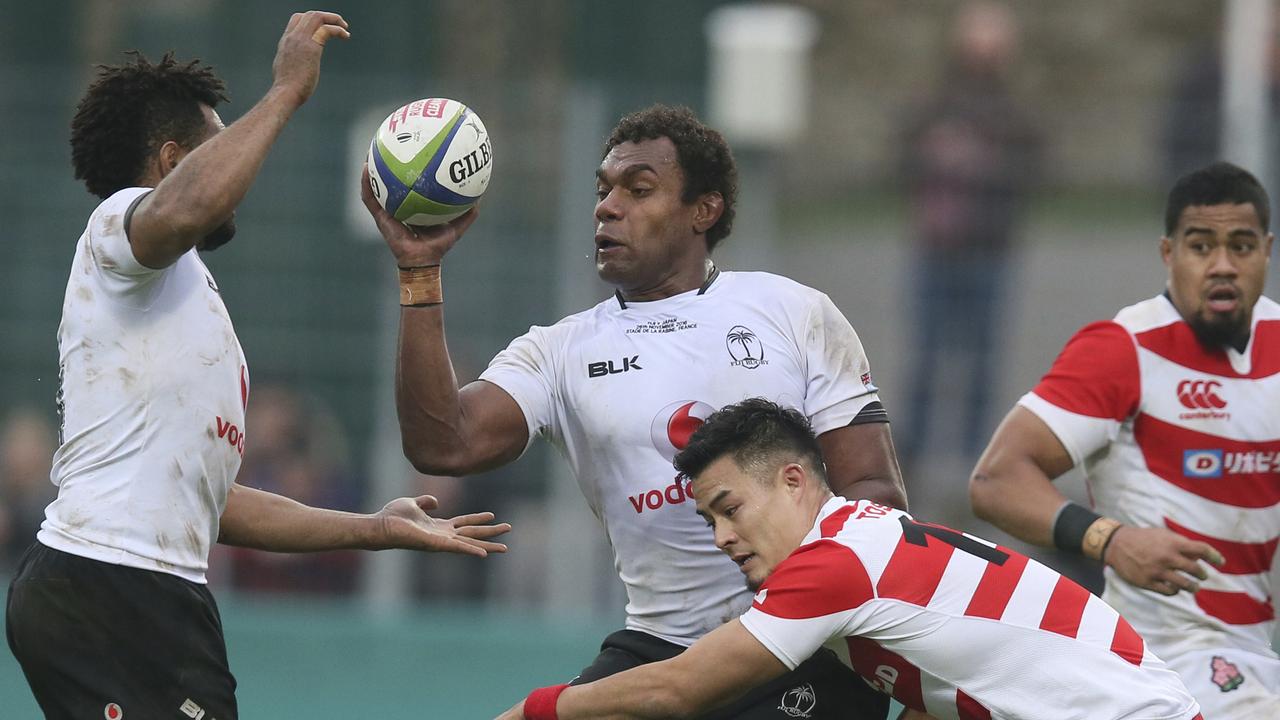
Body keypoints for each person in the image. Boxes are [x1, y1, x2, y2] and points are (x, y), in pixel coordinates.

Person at [5, 13, 509, 720]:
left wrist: (376, 528)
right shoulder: (116, 230)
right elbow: (194, 202)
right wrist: (285, 94)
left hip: (143, 593)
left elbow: (214, 501)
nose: (246, 164)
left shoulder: (180, 294)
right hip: (109, 584)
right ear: (174, 159)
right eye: (225, 142)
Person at [362, 104, 907, 719]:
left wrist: (799, 608)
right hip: (658, 647)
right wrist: (419, 269)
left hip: (801, 645)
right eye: (603, 189)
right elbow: (444, 445)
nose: (607, 206)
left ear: (704, 210)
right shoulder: (558, 349)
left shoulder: (793, 312)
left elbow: (874, 490)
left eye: (638, 190)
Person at [496, 398, 1202, 720]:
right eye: (708, 517)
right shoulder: (871, 542)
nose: (719, 536)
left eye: (729, 507)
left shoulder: (834, 565)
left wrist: (539, 709)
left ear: (796, 480)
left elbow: (677, 690)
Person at [970, 161, 1280, 716]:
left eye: (1241, 246)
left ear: (1267, 251)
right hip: (1161, 658)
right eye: (1201, 246)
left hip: (1258, 650)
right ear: (1169, 254)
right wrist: (1109, 540)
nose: (1222, 266)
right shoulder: (1124, 349)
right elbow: (996, 478)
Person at [898, 0, 1041, 465]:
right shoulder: (933, 103)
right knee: (925, 357)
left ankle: (974, 462)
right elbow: (900, 165)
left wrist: (983, 165)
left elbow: (1035, 173)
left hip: (988, 250)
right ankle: (913, 457)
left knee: (981, 361)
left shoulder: (1014, 112)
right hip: (937, 250)